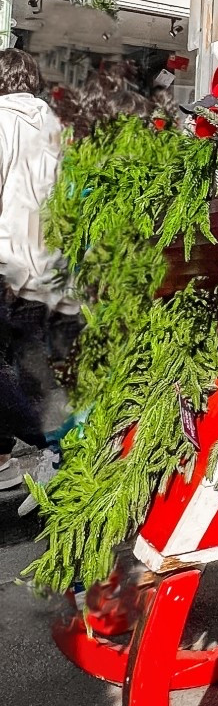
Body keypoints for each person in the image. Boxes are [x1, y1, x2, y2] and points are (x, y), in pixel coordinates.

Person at [0, 49, 76, 489]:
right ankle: (7, 458)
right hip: (44, 262)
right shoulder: (53, 128)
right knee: (27, 362)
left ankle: (60, 442)